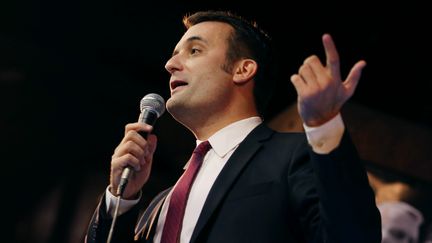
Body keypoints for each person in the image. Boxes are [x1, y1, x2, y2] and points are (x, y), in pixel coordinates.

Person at [85, 10, 381, 243]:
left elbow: (352, 236)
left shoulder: (292, 156)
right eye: (174, 54)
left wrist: (324, 125)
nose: (170, 65)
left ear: (243, 69)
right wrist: (121, 198)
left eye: (195, 51)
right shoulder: (160, 205)